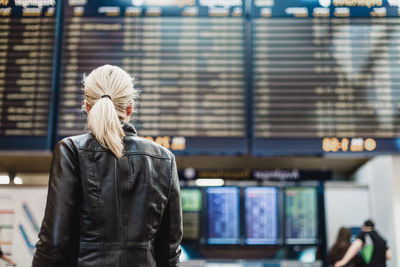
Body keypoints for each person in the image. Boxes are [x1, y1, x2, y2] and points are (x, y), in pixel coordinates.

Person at [32, 65, 183, 267]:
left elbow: (54, 243)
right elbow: (170, 250)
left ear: (87, 106)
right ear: (130, 108)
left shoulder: (71, 150)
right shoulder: (165, 158)